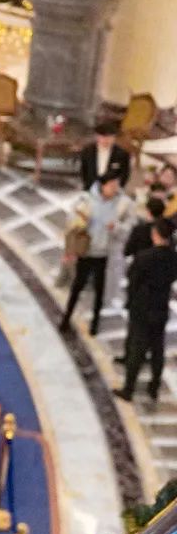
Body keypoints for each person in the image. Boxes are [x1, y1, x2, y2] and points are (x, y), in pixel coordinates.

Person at [60, 169, 129, 335]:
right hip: (87, 250)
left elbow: (123, 229)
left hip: (103, 253)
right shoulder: (87, 200)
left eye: (116, 186)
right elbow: (72, 223)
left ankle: (95, 324)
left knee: (100, 289)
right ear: (102, 186)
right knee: (77, 286)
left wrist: (116, 228)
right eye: (112, 185)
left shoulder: (118, 203)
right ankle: (66, 319)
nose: (114, 189)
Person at [117, 216, 177, 403]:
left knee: (137, 348)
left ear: (155, 234)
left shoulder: (144, 257)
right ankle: (154, 387)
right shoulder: (173, 258)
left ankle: (129, 389)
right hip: (160, 306)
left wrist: (132, 299)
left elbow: (133, 280)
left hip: (142, 307)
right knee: (157, 348)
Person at [79, 119, 132, 191]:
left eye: (110, 137)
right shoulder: (87, 152)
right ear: (97, 137)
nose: (106, 140)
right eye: (103, 137)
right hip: (91, 188)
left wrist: (115, 188)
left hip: (112, 191)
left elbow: (125, 174)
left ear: (114, 138)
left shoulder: (122, 154)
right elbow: (84, 171)